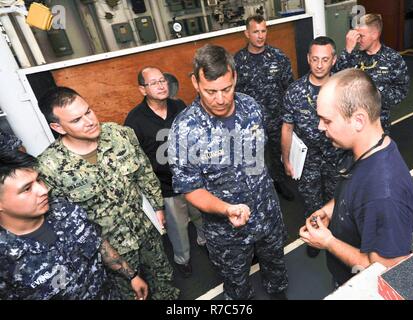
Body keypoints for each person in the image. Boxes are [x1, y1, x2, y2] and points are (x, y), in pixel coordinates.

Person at [168, 44, 288, 300]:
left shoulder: (252, 108)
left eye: (227, 89)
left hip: (267, 215)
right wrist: (226, 209)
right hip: (226, 231)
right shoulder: (184, 130)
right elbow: (190, 188)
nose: (220, 99)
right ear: (195, 83)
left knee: (277, 273)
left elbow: (261, 155)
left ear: (235, 77)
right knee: (237, 286)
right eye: (211, 91)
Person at [36, 87, 179, 300]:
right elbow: (67, 225)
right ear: (58, 126)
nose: (89, 121)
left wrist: (158, 206)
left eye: (88, 111)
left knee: (166, 286)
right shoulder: (49, 167)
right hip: (110, 254)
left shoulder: (119, 134)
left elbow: (143, 171)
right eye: (76, 120)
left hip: (147, 234)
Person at [299, 69, 413, 288]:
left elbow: (386, 272)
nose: (320, 127)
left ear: (358, 120)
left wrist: (328, 242)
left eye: (327, 120)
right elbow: (353, 190)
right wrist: (328, 211)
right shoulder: (368, 149)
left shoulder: (384, 194)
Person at [0, 147, 148, 300]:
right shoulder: (4, 258)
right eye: (27, 189)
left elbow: (99, 244)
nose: (43, 189)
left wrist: (132, 276)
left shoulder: (65, 210)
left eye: (38, 180)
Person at [124, 66, 205, 278]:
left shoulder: (179, 106)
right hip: (166, 187)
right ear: (142, 89)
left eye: (163, 80)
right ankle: (183, 259)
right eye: (154, 82)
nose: (161, 85)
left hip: (192, 178)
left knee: (200, 215)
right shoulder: (135, 120)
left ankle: (205, 241)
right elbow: (135, 159)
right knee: (177, 229)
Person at [282, 36, 343, 257]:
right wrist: (286, 159)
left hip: (337, 157)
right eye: (315, 59)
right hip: (307, 160)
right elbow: (287, 127)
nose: (319, 64)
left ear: (333, 60)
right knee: (311, 202)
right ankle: (315, 236)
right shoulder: (295, 91)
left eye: (325, 59)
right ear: (308, 58)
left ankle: (336, 237)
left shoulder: (342, 89)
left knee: (337, 199)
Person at [234, 14, 295, 201]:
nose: (260, 36)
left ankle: (281, 183)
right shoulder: (238, 61)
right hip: (252, 123)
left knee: (279, 154)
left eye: (263, 31)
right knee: (255, 158)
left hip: (277, 118)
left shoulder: (278, 57)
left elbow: (289, 87)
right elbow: (234, 94)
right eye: (255, 32)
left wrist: (289, 117)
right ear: (247, 33)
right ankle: (261, 191)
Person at [334, 13, 409, 133]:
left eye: (361, 36)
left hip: (378, 123)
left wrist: (375, 96)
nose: (358, 40)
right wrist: (347, 50)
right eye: (356, 36)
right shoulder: (352, 56)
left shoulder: (393, 59)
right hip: (351, 122)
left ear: (375, 34)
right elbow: (336, 79)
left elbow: (401, 90)